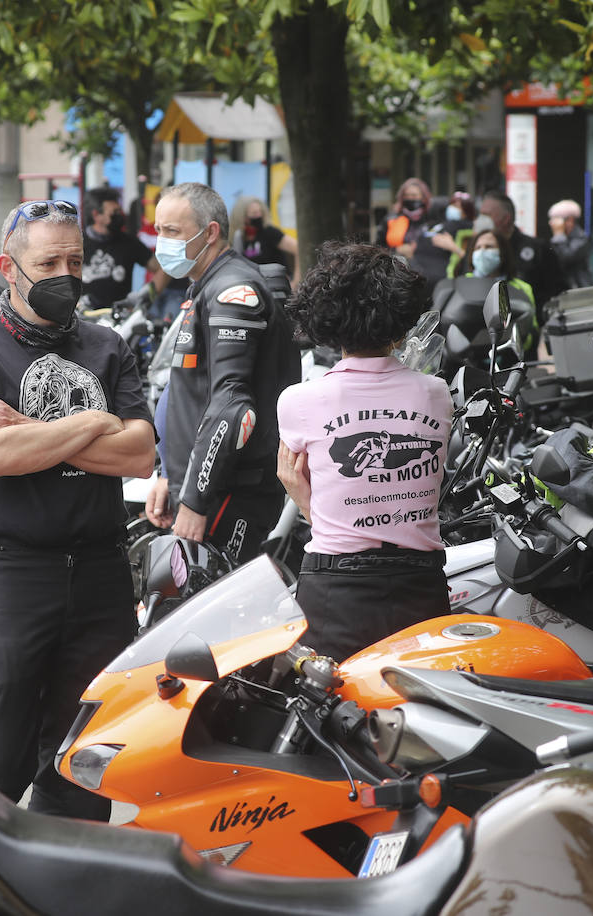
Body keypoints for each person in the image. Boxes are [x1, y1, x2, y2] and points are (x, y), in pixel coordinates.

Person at [0, 198, 154, 816]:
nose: (65, 274)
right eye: (48, 261)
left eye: (74, 261)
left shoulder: (106, 345)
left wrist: (29, 428)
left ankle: (63, 887)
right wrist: (95, 422)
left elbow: (139, 455)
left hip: (102, 573)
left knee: (85, 758)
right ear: (8, 266)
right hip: (9, 573)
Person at [276, 241, 452, 662]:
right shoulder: (436, 394)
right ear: (401, 319)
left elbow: (310, 483)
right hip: (419, 585)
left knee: (330, 715)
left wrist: (304, 502)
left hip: (336, 590)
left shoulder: (297, 402)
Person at [144, 182, 300, 560]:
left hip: (230, 493)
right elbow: (186, 391)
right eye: (158, 230)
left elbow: (233, 409)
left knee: (218, 612)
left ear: (210, 232)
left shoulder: (234, 290)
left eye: (172, 232)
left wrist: (195, 500)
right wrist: (168, 474)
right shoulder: (206, 286)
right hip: (201, 486)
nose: (161, 242)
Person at [80, 186, 168, 311]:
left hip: (120, 319)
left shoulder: (129, 242)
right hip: (84, 318)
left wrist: (147, 296)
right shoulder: (77, 243)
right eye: (114, 213)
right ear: (96, 215)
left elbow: (163, 269)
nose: (119, 216)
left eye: (119, 211)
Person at [478, 189, 565, 315]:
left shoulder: (538, 250)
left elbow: (557, 294)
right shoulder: (476, 251)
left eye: (486, 215)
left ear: (506, 219)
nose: (481, 220)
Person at [376, 178, 452, 287]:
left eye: (415, 195)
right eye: (407, 195)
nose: (410, 198)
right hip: (397, 274)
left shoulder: (433, 217)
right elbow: (378, 247)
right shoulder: (391, 219)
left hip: (430, 274)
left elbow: (448, 201)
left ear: (424, 197)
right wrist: (396, 250)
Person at [231, 196, 300, 286]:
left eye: (260, 212)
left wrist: (296, 282)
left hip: (276, 285)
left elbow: (298, 248)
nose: (259, 215)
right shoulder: (239, 237)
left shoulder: (270, 232)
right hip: (255, 287)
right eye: (254, 213)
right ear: (243, 217)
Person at [547, 198, 593, 289]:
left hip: (578, 290)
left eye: (555, 219)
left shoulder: (581, 239)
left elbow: (566, 258)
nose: (551, 223)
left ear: (570, 221)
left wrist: (559, 235)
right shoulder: (559, 239)